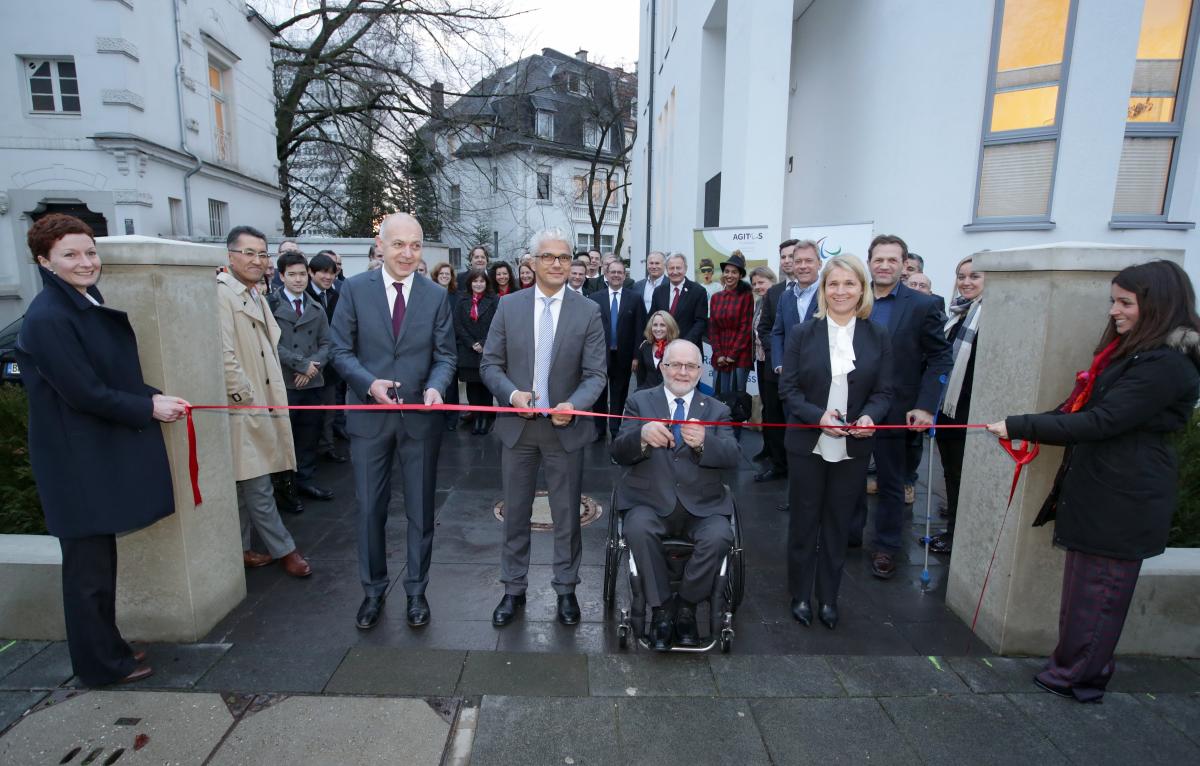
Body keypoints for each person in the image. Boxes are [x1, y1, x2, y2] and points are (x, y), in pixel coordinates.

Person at [987, 260, 1200, 703]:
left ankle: (1080, 677)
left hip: (1125, 496)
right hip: (1103, 489)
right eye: (1113, 301)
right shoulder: (1134, 353)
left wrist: (1021, 425)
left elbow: (1101, 421)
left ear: (1157, 305)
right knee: (1084, 590)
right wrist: (1017, 424)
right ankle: (1071, 667)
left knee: (1100, 594)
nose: (1114, 312)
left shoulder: (1166, 365)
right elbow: (1074, 411)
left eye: (1125, 303)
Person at [16, 213, 189, 686]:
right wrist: (148, 407)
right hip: (74, 463)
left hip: (89, 456)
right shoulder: (48, 317)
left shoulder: (81, 300)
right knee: (87, 573)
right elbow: (85, 393)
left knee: (99, 565)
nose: (85, 261)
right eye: (69, 255)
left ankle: (107, 649)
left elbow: (109, 377)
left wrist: (152, 395)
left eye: (90, 251)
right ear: (44, 261)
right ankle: (99, 666)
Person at [330, 212, 456, 630]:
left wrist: (437, 386)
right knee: (369, 509)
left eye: (416, 245)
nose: (408, 253)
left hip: (420, 419)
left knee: (421, 510)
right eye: (399, 244)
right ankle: (372, 591)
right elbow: (340, 351)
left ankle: (417, 591)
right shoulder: (353, 289)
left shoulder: (435, 296)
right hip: (369, 419)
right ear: (379, 245)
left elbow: (445, 356)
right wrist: (368, 384)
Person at [480, 227, 606, 628]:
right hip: (518, 430)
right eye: (549, 257)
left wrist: (576, 404)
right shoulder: (509, 306)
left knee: (566, 516)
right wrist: (512, 395)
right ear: (531, 262)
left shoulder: (588, 311)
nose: (557, 264)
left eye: (565, 258)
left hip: (565, 431)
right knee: (516, 513)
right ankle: (513, 589)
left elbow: (596, 374)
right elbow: (490, 365)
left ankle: (566, 588)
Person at [780, 254, 892, 630]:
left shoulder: (878, 336)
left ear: (862, 288)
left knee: (838, 525)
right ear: (824, 290)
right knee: (804, 523)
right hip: (808, 443)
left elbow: (884, 390)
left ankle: (828, 597)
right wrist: (817, 417)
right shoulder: (802, 334)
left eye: (849, 284)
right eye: (834, 284)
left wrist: (871, 416)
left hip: (853, 447)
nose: (841, 291)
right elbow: (789, 390)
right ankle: (799, 594)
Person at [611, 339, 740, 650]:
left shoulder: (717, 409)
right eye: (675, 365)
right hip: (649, 501)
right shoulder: (639, 403)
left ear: (700, 370)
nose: (683, 372)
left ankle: (687, 604)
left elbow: (734, 456)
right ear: (662, 367)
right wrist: (641, 438)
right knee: (638, 529)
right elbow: (617, 451)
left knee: (721, 536)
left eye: (691, 366)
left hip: (703, 505)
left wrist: (705, 443)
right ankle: (664, 608)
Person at [850, 234, 952, 579]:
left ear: (904, 265)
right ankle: (849, 535)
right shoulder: (852, 298)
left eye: (893, 260)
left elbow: (940, 358)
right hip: (852, 404)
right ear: (869, 262)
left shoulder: (922, 306)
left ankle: (886, 546)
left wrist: (926, 406)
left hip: (898, 407)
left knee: (892, 481)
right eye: (879, 259)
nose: (885, 265)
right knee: (849, 475)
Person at [217, 225, 313, 577]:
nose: (257, 260)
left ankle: (240, 548)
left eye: (262, 253)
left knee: (244, 483)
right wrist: (247, 396)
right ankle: (285, 549)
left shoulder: (254, 293)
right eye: (249, 253)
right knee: (257, 482)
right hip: (244, 407)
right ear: (230, 256)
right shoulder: (221, 294)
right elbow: (224, 355)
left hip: (264, 401)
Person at [927, 256, 984, 554]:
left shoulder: (988, 316)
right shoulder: (959, 314)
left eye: (975, 276)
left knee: (961, 476)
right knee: (951, 473)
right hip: (949, 410)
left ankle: (958, 537)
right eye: (961, 276)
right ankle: (953, 532)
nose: (966, 282)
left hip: (967, 412)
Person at [270, 251, 334, 502]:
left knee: (309, 435)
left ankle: (306, 480)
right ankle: (285, 488)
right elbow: (271, 344)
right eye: (291, 275)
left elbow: (327, 343)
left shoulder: (316, 307)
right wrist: (301, 365)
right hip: (285, 381)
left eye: (301, 274)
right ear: (281, 276)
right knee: (286, 437)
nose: (297, 280)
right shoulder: (271, 304)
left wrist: (312, 369)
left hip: (312, 382)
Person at [755, 240, 798, 481]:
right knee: (774, 416)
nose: (788, 260)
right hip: (775, 369)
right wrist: (781, 356)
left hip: (806, 372)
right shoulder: (774, 292)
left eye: (793, 255)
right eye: (783, 256)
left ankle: (799, 469)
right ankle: (779, 465)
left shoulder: (820, 290)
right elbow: (765, 328)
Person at [591, 258, 640, 443]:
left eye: (620, 272)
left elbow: (639, 328)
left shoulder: (634, 298)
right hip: (600, 357)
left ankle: (616, 428)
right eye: (613, 272)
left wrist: (636, 356)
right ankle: (599, 429)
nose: (616, 275)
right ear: (606, 274)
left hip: (624, 356)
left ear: (624, 275)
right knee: (599, 394)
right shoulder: (596, 298)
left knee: (619, 394)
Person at [307, 252, 348, 461]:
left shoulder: (335, 295)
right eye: (323, 272)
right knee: (309, 415)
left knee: (329, 410)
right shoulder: (304, 295)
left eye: (332, 273)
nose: (328, 277)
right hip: (307, 366)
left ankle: (327, 447)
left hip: (331, 365)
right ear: (311, 272)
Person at [708, 252, 754, 434]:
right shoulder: (716, 297)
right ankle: (719, 436)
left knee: (736, 400)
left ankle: (734, 439)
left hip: (739, 357)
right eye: (727, 271)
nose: (729, 275)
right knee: (719, 397)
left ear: (740, 275)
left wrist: (731, 355)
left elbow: (745, 327)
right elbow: (713, 328)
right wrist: (719, 354)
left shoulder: (746, 296)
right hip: (720, 356)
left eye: (734, 272)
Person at [454, 268, 499, 435]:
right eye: (475, 281)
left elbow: (496, 324)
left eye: (481, 281)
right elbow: (458, 324)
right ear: (470, 283)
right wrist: (471, 343)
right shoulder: (462, 299)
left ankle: (485, 419)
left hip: (487, 350)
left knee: (486, 386)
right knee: (472, 387)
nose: (478, 284)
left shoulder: (493, 300)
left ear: (486, 283)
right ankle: (476, 418)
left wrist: (483, 343)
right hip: (468, 350)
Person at [770, 240, 822, 376]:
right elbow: (777, 333)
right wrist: (779, 364)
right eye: (798, 261)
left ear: (820, 264)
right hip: (789, 376)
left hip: (821, 376)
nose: (803, 266)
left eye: (809, 261)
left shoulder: (830, 294)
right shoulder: (785, 297)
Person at [749, 264, 781, 476]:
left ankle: (778, 458)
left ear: (772, 280)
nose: (758, 287)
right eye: (755, 284)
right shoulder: (760, 302)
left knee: (775, 410)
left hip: (773, 362)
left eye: (762, 282)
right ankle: (768, 449)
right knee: (766, 408)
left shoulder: (780, 300)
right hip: (760, 361)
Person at [650, 253, 708, 347]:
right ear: (666, 269)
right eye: (671, 268)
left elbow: (700, 322)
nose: (675, 271)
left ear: (685, 269)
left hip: (689, 348)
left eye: (678, 268)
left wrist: (683, 344)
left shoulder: (698, 291)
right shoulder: (659, 291)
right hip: (662, 348)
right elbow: (652, 318)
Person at [432, 262, 462, 431]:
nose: (444, 276)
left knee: (451, 386)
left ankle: (452, 417)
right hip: (431, 346)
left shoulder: (456, 296)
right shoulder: (429, 294)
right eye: (441, 273)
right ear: (436, 275)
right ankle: (437, 415)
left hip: (451, 345)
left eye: (447, 274)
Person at [634, 310, 680, 390]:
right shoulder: (645, 346)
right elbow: (641, 376)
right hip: (647, 394)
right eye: (655, 325)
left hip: (669, 395)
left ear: (669, 327)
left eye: (662, 325)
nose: (658, 329)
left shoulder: (676, 348)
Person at [633, 251, 668, 315]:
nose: (654, 266)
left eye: (657, 263)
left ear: (664, 265)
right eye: (651, 263)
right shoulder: (637, 286)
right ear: (647, 265)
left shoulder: (670, 285)